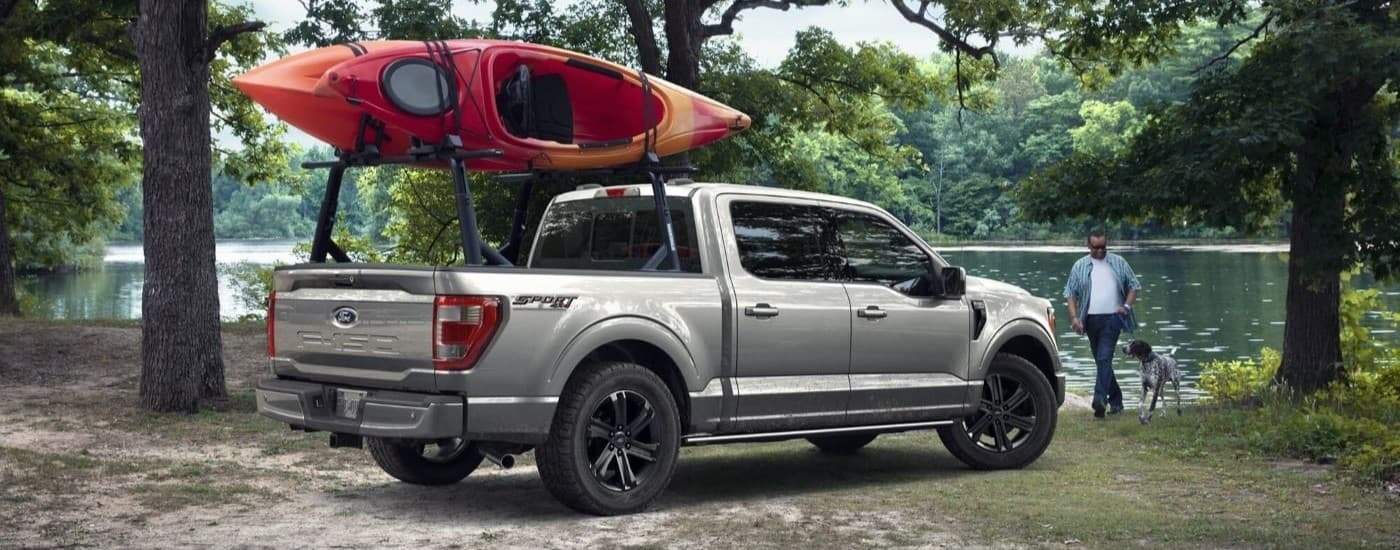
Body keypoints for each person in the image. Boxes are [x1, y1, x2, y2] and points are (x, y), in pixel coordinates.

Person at [1063, 230, 1142, 418]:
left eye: (1103, 247)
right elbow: (1070, 293)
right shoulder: (1080, 266)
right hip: (1090, 320)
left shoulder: (1118, 262)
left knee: (1104, 357)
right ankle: (1117, 402)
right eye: (1096, 247)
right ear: (1088, 246)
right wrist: (1074, 318)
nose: (1100, 251)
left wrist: (1126, 306)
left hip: (1113, 318)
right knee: (1101, 361)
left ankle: (1099, 400)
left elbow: (1134, 286)